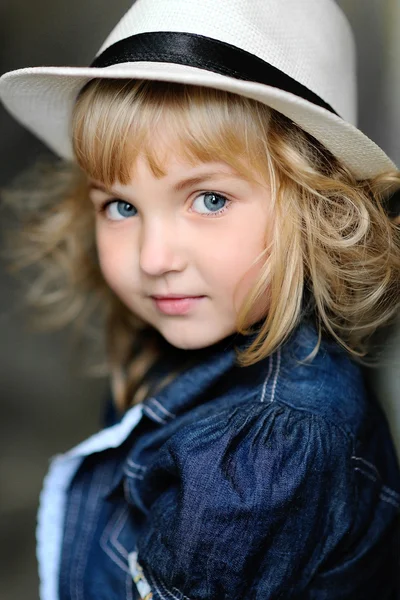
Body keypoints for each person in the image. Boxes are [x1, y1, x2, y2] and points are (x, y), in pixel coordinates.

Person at [1, 0, 400, 598]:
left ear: (320, 209)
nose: (154, 258)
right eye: (122, 206)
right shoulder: (201, 339)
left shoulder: (264, 448)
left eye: (209, 199)